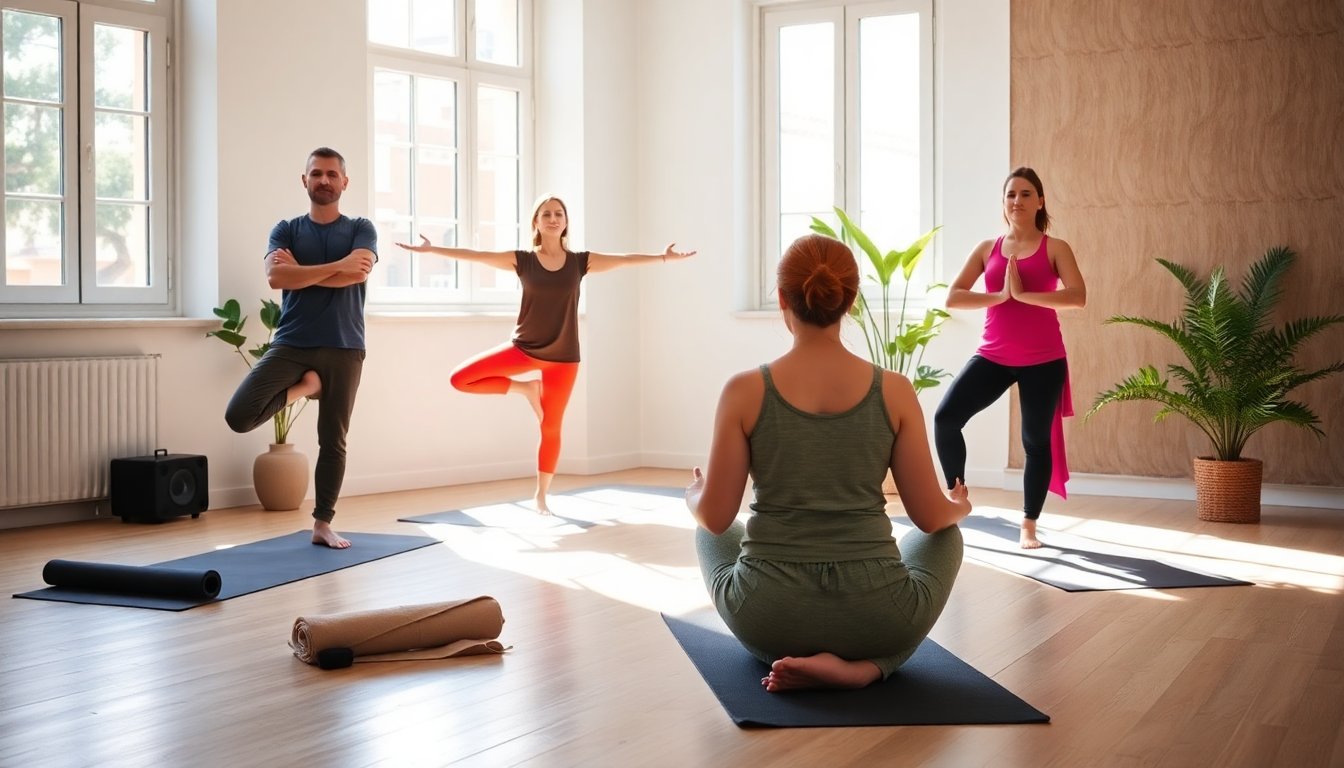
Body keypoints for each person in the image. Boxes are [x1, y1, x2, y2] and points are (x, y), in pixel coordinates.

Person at [685, 234, 971, 692]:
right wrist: (960, 505)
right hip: (877, 617)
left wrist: (694, 497)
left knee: (707, 533)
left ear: (782, 298)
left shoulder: (743, 390)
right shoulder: (895, 390)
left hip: (770, 617)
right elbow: (931, 518)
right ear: (850, 301)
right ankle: (872, 666)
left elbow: (717, 519)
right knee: (946, 537)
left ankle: (789, 657)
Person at [395, 195, 694, 513]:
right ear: (536, 222)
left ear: (566, 222)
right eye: (547, 214)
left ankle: (541, 496)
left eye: (559, 214)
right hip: (524, 349)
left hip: (563, 358)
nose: (553, 219)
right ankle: (526, 389)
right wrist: (433, 250)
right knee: (460, 379)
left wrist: (663, 258)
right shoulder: (523, 260)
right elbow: (478, 256)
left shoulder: (580, 262)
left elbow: (624, 260)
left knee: (551, 427)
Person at [225, 147, 377, 549]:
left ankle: (322, 524)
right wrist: (336, 267)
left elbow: (357, 273)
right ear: (304, 180)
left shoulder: (361, 228)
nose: (324, 180)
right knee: (239, 415)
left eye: (332, 174)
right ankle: (307, 387)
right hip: (291, 342)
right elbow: (276, 278)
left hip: (345, 345)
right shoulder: (286, 230)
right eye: (316, 173)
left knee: (333, 440)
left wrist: (300, 272)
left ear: (344, 182)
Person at [934, 167, 1086, 549]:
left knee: (1034, 441)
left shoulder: (1056, 248)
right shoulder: (987, 248)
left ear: (1040, 201)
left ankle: (1028, 524)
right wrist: (1000, 297)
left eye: (1025, 193)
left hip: (1043, 359)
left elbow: (1078, 296)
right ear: (1003, 202)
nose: (1017, 201)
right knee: (946, 418)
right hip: (994, 355)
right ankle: (957, 497)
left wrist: (1024, 296)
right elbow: (954, 297)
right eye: (1011, 194)